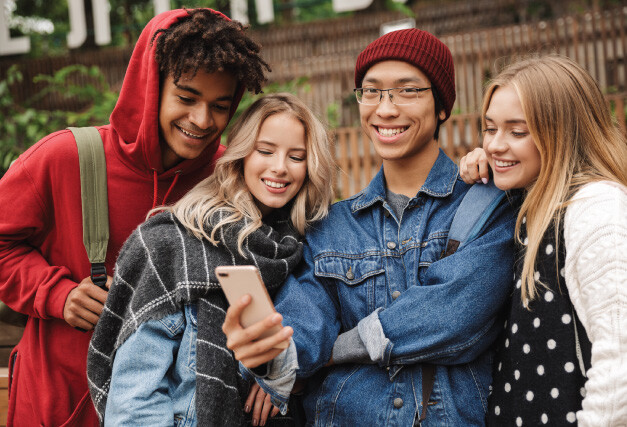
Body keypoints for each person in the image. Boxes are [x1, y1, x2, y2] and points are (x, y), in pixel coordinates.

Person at [223, 28, 519, 426]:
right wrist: (275, 352)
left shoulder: (485, 204)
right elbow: (308, 312)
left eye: (407, 90)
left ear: (443, 106)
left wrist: (337, 349)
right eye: (372, 91)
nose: (385, 108)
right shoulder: (331, 226)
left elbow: (455, 318)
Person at [0, 8, 270, 426]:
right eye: (186, 98)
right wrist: (55, 293)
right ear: (151, 86)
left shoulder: (228, 178)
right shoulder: (64, 158)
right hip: (59, 407)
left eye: (219, 106)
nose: (202, 120)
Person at [87, 93, 336, 426]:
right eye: (265, 151)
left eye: (296, 156)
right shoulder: (174, 243)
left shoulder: (305, 246)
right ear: (241, 155)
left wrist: (278, 371)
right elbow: (134, 398)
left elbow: (312, 339)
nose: (279, 167)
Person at [458, 55, 627, 425]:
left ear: (564, 132)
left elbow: (621, 363)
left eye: (517, 131)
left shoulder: (596, 207)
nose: (496, 145)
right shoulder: (535, 204)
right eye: (489, 129)